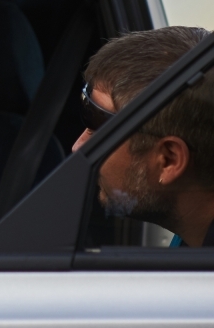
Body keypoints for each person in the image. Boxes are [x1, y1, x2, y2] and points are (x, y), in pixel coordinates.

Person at [72, 26, 214, 247]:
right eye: (86, 110)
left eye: (98, 124)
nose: (78, 147)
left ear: (168, 160)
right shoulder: (193, 248)